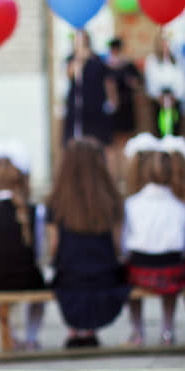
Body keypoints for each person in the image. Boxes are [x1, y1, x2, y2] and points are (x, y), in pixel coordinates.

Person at [47, 137, 130, 348]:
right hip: (104, 278)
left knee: (66, 275)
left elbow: (53, 246)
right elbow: (117, 245)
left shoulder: (56, 202)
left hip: (71, 279)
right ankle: (90, 331)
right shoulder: (111, 200)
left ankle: (74, 330)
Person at [0, 141, 47, 350]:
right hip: (26, 277)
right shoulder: (36, 211)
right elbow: (38, 253)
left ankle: (10, 335)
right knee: (40, 289)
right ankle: (31, 337)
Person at [123, 138, 185, 346]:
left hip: (139, 268)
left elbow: (126, 243)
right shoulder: (180, 206)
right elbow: (183, 243)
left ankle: (137, 329)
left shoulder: (132, 204)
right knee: (172, 282)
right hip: (171, 266)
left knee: (125, 278)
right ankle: (167, 330)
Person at [63, 31, 118, 146]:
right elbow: (70, 74)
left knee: (99, 141)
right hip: (78, 107)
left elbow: (108, 80)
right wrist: (80, 58)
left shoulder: (97, 59)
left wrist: (112, 100)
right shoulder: (71, 59)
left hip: (96, 106)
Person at [144, 32, 185, 137]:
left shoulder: (177, 59)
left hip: (174, 96)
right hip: (159, 97)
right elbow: (151, 80)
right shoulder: (152, 60)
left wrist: (176, 95)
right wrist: (158, 96)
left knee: (176, 125)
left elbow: (181, 78)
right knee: (160, 126)